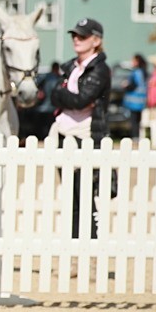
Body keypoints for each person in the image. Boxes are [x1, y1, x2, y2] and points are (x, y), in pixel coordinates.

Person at [50, 18, 110, 239]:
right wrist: (68, 98)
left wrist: (65, 97)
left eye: (82, 36)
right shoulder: (71, 67)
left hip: (85, 137)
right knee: (72, 199)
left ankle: (90, 252)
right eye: (74, 35)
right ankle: (75, 252)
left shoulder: (100, 69)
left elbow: (82, 100)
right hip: (64, 135)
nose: (76, 39)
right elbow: (54, 95)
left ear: (96, 40)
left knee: (85, 198)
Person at [121, 53, 148, 139]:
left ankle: (135, 136)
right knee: (138, 120)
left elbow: (134, 84)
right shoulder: (144, 72)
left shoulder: (136, 72)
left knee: (133, 120)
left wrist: (126, 85)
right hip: (141, 99)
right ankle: (138, 136)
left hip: (134, 100)